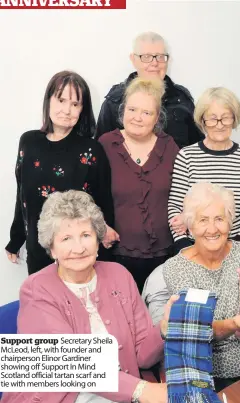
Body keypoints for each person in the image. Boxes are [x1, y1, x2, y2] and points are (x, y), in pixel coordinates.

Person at [1, 190, 176, 403]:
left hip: (123, 397)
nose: (79, 248)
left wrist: (163, 329)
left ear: (97, 239)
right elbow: (72, 363)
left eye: (86, 235)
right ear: (52, 248)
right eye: (66, 238)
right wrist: (141, 390)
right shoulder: (36, 289)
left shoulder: (119, 275)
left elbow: (141, 356)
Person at [142, 182, 240, 392]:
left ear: (230, 222)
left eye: (219, 219)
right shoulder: (177, 268)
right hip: (207, 373)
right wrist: (234, 324)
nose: (212, 229)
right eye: (203, 220)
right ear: (190, 226)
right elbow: (196, 332)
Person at [5, 71, 117, 275]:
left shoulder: (91, 149)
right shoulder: (28, 142)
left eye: (75, 104)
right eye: (61, 100)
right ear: (48, 100)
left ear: (83, 109)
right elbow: (22, 197)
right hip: (38, 251)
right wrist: (16, 239)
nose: (67, 110)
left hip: (78, 254)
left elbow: (104, 205)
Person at [98, 77, 179, 293]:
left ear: (157, 118)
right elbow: (89, 195)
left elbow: (184, 194)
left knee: (158, 319)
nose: (137, 118)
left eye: (146, 113)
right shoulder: (105, 144)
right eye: (132, 109)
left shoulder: (169, 147)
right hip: (115, 254)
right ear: (123, 110)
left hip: (165, 256)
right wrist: (99, 226)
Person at [168, 87, 240, 254]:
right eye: (212, 119)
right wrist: (184, 245)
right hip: (196, 249)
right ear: (202, 120)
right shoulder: (186, 156)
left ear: (234, 119)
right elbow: (174, 207)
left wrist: (238, 243)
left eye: (225, 118)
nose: (219, 125)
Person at [95, 31, 203, 148]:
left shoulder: (181, 99)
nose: (154, 63)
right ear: (133, 59)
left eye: (160, 57)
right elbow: (99, 152)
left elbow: (198, 150)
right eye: (146, 57)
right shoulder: (114, 101)